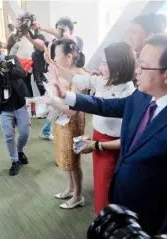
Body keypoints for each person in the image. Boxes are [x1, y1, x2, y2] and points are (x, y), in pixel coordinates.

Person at [46, 34, 167, 236]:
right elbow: (106, 105)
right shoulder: (143, 94)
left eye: (143, 66)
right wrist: (66, 96)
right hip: (124, 194)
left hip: (154, 213)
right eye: (138, 62)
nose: (136, 70)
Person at [45, 42, 136, 214]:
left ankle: (107, 222)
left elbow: (128, 137)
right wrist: (54, 65)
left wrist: (96, 145)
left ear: (118, 66)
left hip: (113, 146)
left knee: (108, 189)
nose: (99, 68)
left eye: (104, 64)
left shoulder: (128, 93)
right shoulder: (103, 80)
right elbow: (76, 78)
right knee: (100, 185)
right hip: (98, 138)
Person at [26, 16, 84, 141]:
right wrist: (26, 33)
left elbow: (73, 110)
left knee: (70, 139)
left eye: (63, 29)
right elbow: (39, 44)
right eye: (58, 29)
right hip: (60, 87)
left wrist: (42, 27)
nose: (60, 32)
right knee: (59, 130)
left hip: (72, 87)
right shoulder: (55, 44)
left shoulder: (75, 42)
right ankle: (47, 130)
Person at [45, 39, 86, 209]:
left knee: (74, 161)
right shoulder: (64, 72)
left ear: (69, 56)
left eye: (57, 55)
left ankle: (78, 196)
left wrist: (52, 103)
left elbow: (74, 111)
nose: (54, 58)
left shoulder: (80, 76)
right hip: (61, 120)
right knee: (64, 157)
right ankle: (69, 189)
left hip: (73, 123)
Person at [0, 40, 30, 176]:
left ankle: (19, 149)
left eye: (0, 52)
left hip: (19, 103)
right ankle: (15, 160)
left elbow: (22, 74)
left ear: (3, 50)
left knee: (25, 132)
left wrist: (9, 69)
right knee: (8, 136)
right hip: (3, 107)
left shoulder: (12, 59)